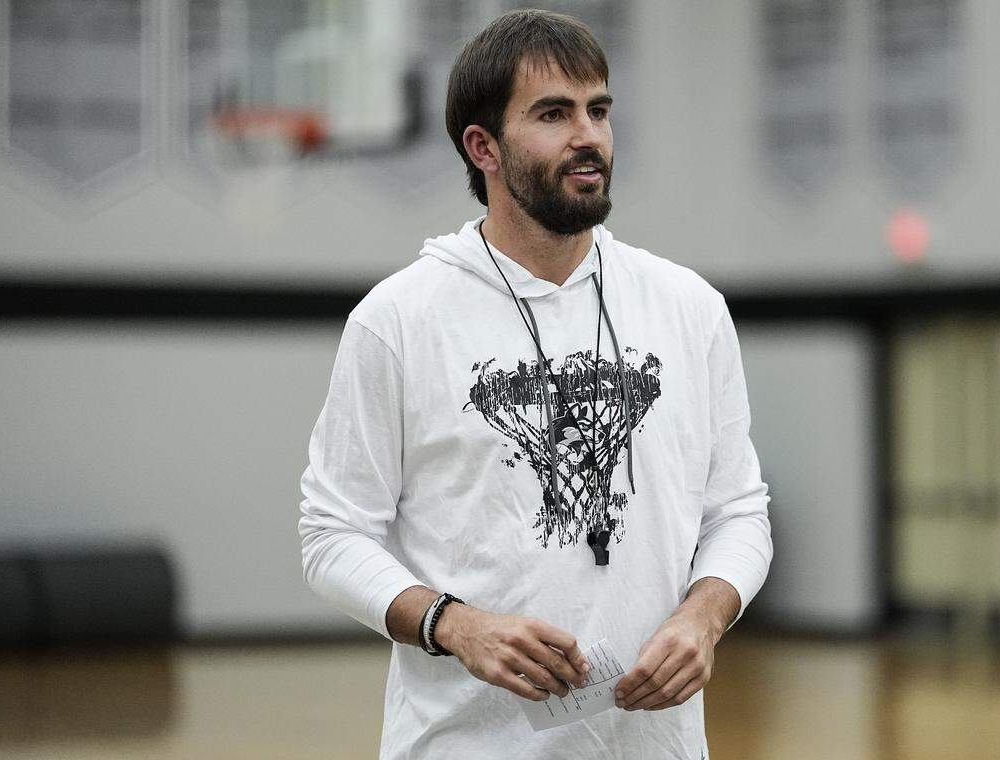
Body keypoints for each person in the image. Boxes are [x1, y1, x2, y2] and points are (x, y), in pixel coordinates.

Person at [299, 9, 772, 759]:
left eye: (599, 110)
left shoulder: (689, 308)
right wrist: (455, 624)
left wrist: (703, 616)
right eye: (554, 114)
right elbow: (332, 534)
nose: (589, 135)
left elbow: (739, 510)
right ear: (482, 147)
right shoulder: (397, 321)